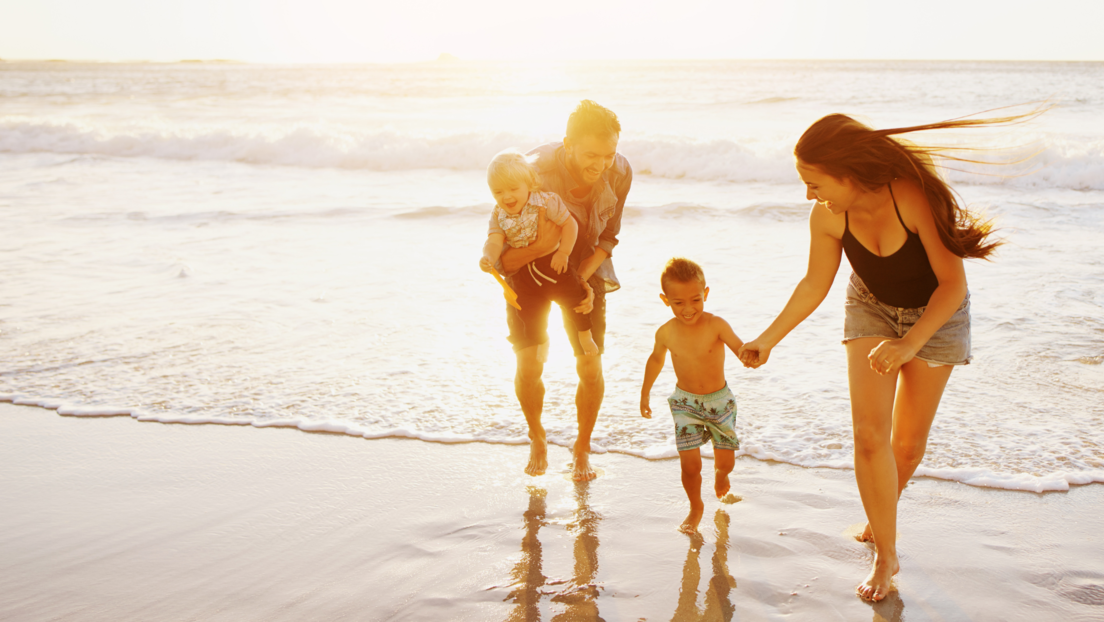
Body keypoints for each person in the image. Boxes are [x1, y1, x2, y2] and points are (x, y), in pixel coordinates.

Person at [737, 112, 1021, 601]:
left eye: (814, 182)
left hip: (938, 316)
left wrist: (911, 343)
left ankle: (880, 512)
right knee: (870, 436)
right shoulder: (828, 214)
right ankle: (886, 555)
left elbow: (953, 286)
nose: (808, 194)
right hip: (870, 307)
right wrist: (769, 338)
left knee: (906, 447)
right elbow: (814, 283)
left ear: (846, 173)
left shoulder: (910, 196)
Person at [498, 100, 632, 481]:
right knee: (530, 364)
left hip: (584, 268)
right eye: (591, 154)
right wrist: (544, 250)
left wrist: (584, 280)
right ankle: (537, 436)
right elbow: (504, 260)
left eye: (609, 154)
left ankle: (582, 447)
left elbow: (609, 236)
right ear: (567, 144)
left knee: (590, 364)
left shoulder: (620, 171)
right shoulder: (531, 171)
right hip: (530, 274)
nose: (601, 164)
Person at [640, 258, 745, 534]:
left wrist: (752, 355)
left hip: (719, 403)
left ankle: (720, 475)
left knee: (726, 463)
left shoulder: (717, 325)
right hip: (685, 404)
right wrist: (644, 393)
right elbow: (655, 361)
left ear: (705, 294)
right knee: (690, 465)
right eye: (678, 303)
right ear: (666, 300)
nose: (688, 309)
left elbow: (740, 348)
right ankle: (696, 506)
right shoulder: (666, 332)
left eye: (695, 300)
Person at [479, 149, 599, 357]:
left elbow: (569, 224)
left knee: (574, 297)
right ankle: (541, 341)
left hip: (552, 262)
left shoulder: (545, 202)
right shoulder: (498, 215)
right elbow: (494, 240)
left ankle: (585, 334)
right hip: (523, 271)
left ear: (529, 184)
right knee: (527, 309)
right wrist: (488, 257)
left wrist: (563, 252)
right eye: (498, 192)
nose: (506, 196)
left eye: (513, 188)